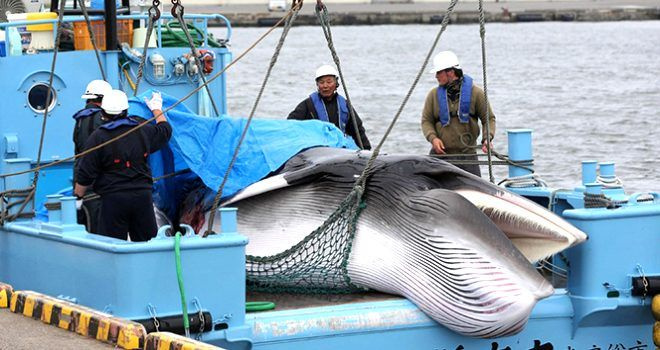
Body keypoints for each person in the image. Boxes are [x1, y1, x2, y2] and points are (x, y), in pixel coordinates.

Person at [74, 90, 172, 241]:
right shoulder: (143, 130)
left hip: (113, 201)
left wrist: (78, 198)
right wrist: (156, 108)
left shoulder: (98, 137)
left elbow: (85, 174)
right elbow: (165, 130)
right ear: (126, 110)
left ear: (103, 113)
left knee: (112, 246)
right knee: (147, 245)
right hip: (142, 198)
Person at [421, 51, 496, 177]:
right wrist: (433, 138)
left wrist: (487, 138)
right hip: (440, 156)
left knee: (474, 191)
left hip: (468, 157)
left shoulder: (476, 93)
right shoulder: (433, 95)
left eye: (438, 72)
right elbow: (426, 121)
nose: (436, 76)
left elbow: (488, 118)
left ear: (450, 72)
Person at [288, 64, 371, 150]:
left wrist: (367, 150)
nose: (325, 86)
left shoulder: (345, 105)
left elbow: (358, 130)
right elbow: (291, 125)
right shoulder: (308, 105)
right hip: (317, 151)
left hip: (340, 151)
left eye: (329, 82)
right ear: (317, 85)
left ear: (336, 83)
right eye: (321, 82)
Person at [72, 79, 112, 232]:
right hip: (96, 185)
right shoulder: (102, 119)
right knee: (99, 228)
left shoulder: (80, 119)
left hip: (80, 181)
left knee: (84, 224)